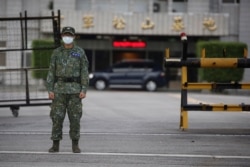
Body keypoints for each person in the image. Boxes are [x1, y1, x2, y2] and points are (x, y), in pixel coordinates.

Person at [46, 26, 89, 153]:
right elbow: (51, 72)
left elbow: (84, 72)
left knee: (75, 118)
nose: (67, 37)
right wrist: (50, 89)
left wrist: (84, 89)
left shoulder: (80, 52)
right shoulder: (56, 52)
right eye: (65, 34)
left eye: (69, 35)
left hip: (75, 90)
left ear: (74, 36)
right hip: (59, 89)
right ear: (62, 36)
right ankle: (55, 144)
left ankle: (75, 144)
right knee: (56, 118)